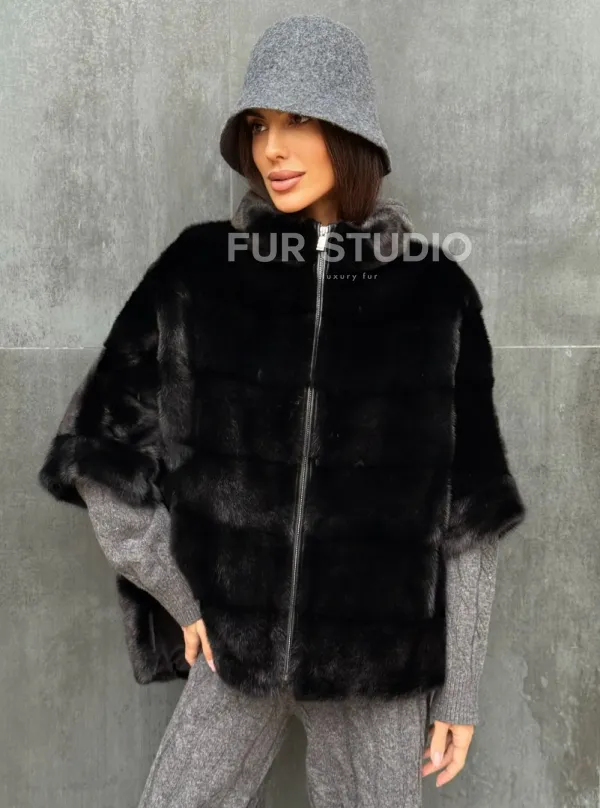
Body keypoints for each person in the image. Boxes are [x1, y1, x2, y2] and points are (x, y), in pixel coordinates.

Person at [37, 14, 526, 808]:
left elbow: (468, 513)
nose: (273, 148)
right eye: (260, 124)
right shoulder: (200, 272)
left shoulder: (434, 294)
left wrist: (460, 691)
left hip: (377, 661)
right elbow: (101, 452)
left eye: (299, 119)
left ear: (349, 132)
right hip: (235, 643)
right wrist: (177, 590)